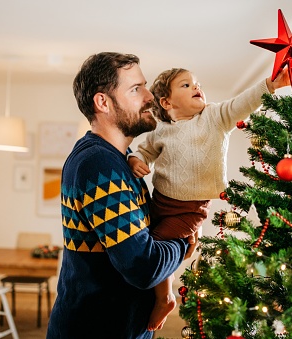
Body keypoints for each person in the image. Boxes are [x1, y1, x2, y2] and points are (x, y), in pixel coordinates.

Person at [128, 67, 292, 330]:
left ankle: (165, 298)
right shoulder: (161, 131)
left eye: (197, 83)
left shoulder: (213, 117)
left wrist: (270, 85)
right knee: (146, 237)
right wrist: (136, 159)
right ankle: (156, 287)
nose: (196, 87)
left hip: (190, 209)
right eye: (186, 85)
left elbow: (242, 103)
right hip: (160, 202)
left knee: (157, 247)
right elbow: (145, 150)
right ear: (166, 102)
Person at [46, 52, 197, 339]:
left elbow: (146, 234)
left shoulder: (122, 158)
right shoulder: (97, 164)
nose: (150, 96)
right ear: (103, 102)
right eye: (136, 89)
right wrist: (183, 237)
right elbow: (144, 266)